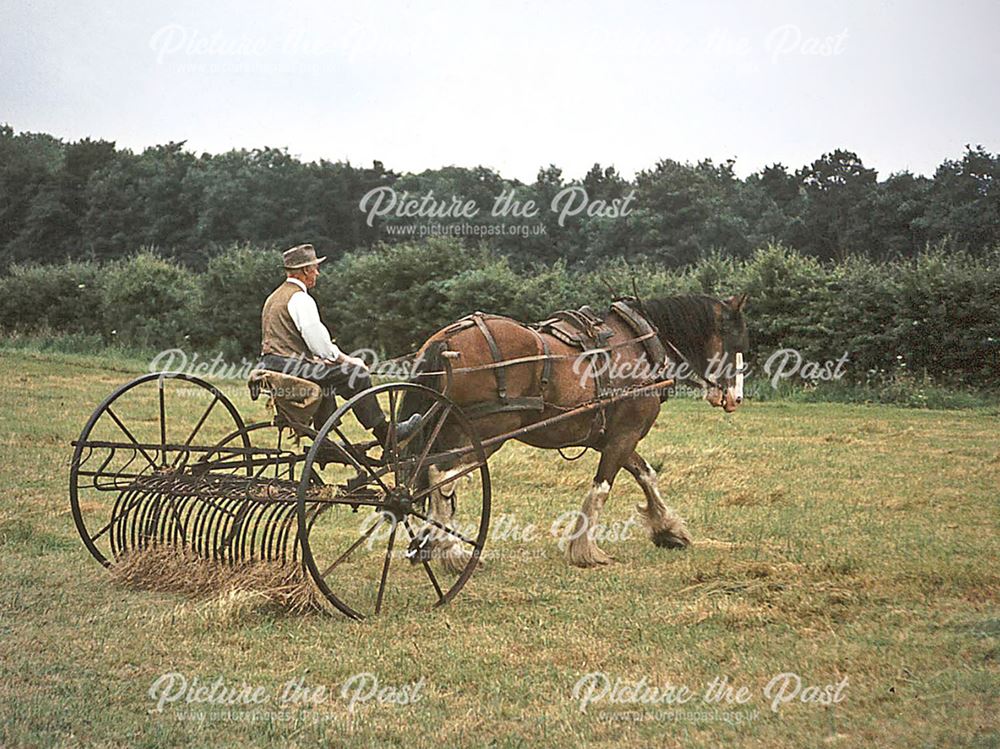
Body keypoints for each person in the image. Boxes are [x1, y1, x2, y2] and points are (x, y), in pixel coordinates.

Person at [257, 243, 420, 446]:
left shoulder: (274, 297)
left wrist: (318, 360)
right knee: (356, 376)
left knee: (328, 376)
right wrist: (349, 361)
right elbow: (320, 345)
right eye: (315, 268)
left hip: (272, 365)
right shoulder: (300, 299)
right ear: (305, 270)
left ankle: (323, 441)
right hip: (291, 368)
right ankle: (386, 434)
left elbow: (287, 340)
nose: (317, 273)